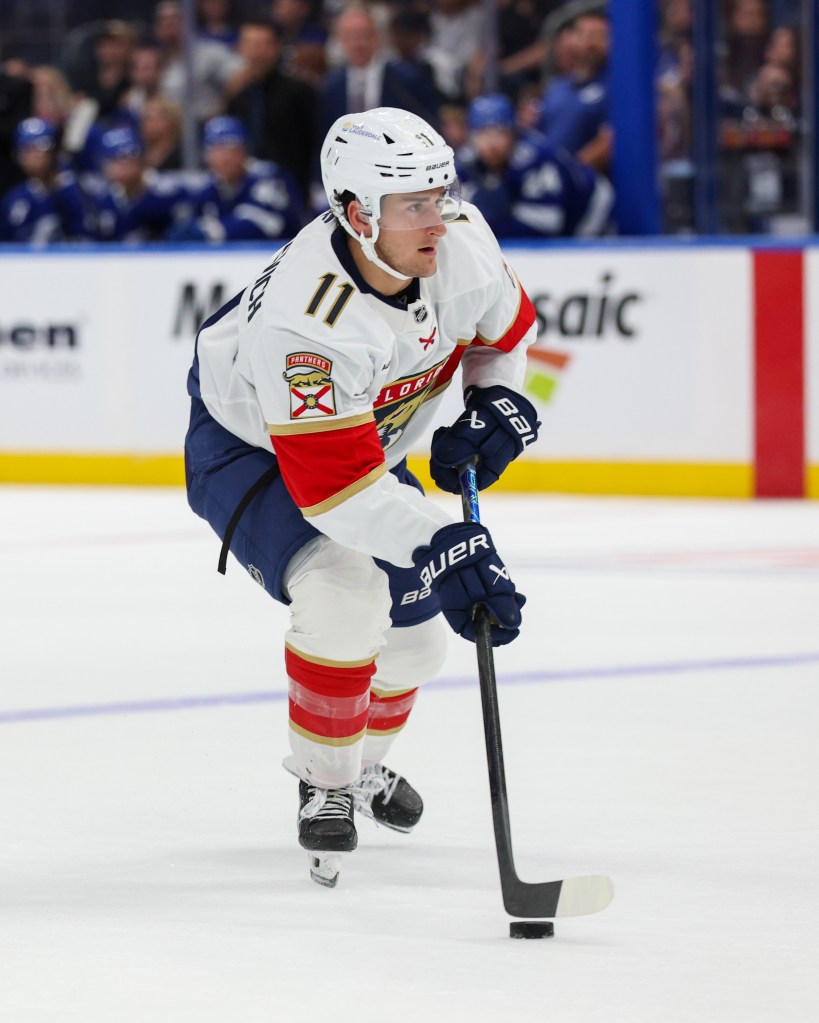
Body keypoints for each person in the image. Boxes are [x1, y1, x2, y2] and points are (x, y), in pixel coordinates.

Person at [184, 107, 539, 887]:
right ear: (353, 213)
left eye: (440, 193)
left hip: (354, 443)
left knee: (417, 642)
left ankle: (359, 765)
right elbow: (335, 491)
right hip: (251, 448)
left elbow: (502, 340)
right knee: (344, 591)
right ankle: (325, 780)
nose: (436, 219)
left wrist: (496, 408)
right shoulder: (308, 323)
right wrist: (446, 540)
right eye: (412, 203)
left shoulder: (461, 242)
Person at [456, 92, 613, 238]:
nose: (491, 144)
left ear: (513, 133)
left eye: (500, 132)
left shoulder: (537, 158)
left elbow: (547, 223)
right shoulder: (465, 161)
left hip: (589, 206)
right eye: (482, 133)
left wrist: (493, 222)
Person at [168, 115, 304, 241]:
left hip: (281, 257)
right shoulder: (210, 187)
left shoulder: (268, 178)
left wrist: (212, 230)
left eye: (230, 149)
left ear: (244, 150)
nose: (224, 158)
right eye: (216, 150)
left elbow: (268, 224)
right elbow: (187, 218)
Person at [226, 17, 317, 202]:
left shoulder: (300, 93)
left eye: (262, 45)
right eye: (249, 44)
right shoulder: (238, 99)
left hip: (294, 195)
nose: (255, 53)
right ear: (240, 48)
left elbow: (315, 145)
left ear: (277, 47)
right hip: (248, 195)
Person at [87, 124, 190, 241]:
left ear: (142, 158)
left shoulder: (171, 193)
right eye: (116, 160)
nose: (124, 166)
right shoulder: (103, 199)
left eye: (130, 158)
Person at [0, 117, 95, 243]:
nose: (35, 155)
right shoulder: (13, 199)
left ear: (54, 151)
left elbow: (89, 242)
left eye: (41, 147)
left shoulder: (75, 191)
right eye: (27, 149)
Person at [538, 10, 611, 172]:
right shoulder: (556, 87)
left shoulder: (614, 87)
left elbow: (608, 142)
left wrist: (568, 174)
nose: (590, 42)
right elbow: (540, 135)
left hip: (591, 185)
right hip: (551, 183)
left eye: (600, 35)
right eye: (584, 34)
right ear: (570, 40)